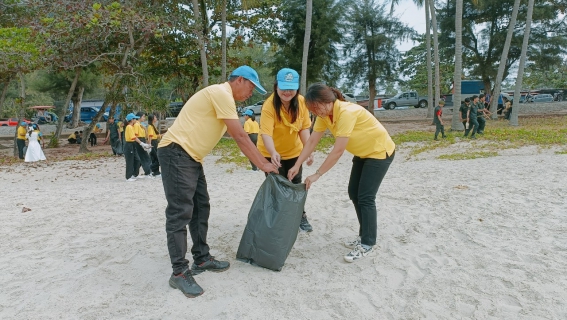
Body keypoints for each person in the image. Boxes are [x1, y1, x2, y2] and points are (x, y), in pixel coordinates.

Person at [157, 65, 278, 298]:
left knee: (201, 207)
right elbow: (240, 136)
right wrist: (263, 164)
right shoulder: (221, 93)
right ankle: (179, 273)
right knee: (180, 212)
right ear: (239, 80)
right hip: (176, 152)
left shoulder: (225, 99)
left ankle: (201, 259)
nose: (251, 93)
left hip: (191, 157)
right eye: (251, 87)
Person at [287, 83, 395, 263]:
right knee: (354, 193)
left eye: (317, 107)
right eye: (312, 109)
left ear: (327, 101)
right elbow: (313, 140)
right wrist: (297, 164)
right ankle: (363, 235)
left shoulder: (346, 112)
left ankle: (367, 242)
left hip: (379, 153)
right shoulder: (325, 115)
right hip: (362, 153)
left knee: (366, 197)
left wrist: (317, 174)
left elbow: (338, 151)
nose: (316, 112)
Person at [257, 68, 314, 232]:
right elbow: (266, 133)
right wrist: (273, 151)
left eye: (291, 88)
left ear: (297, 88)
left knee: (296, 184)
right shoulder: (269, 105)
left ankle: (299, 216)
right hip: (270, 153)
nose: (287, 92)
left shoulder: (302, 102)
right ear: (276, 87)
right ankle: (278, 218)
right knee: (277, 186)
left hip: (294, 152)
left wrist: (308, 150)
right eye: (283, 87)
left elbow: (303, 129)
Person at [123, 113, 151, 181]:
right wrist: (142, 143)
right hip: (129, 144)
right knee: (130, 160)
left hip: (132, 144)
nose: (136, 120)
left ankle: (134, 174)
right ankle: (128, 177)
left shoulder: (131, 127)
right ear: (132, 120)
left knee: (137, 159)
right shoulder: (129, 127)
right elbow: (133, 137)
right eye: (135, 119)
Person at [133, 112, 152, 177]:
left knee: (142, 157)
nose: (144, 118)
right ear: (139, 117)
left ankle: (135, 172)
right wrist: (141, 143)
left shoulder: (141, 125)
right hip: (139, 141)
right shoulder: (136, 125)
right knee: (145, 157)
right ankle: (148, 172)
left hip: (142, 139)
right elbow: (135, 135)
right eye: (143, 116)